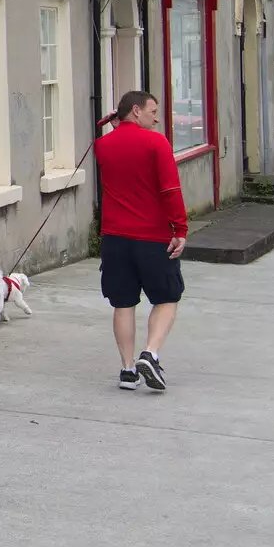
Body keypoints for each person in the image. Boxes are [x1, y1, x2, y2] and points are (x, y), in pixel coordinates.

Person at [93, 90, 187, 391]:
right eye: (152, 111)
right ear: (136, 111)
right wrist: (180, 229)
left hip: (115, 238)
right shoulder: (156, 143)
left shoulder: (102, 145)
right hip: (152, 236)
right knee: (167, 298)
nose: (157, 118)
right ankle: (151, 352)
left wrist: (115, 126)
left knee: (123, 303)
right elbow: (169, 190)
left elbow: (120, 154)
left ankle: (128, 369)